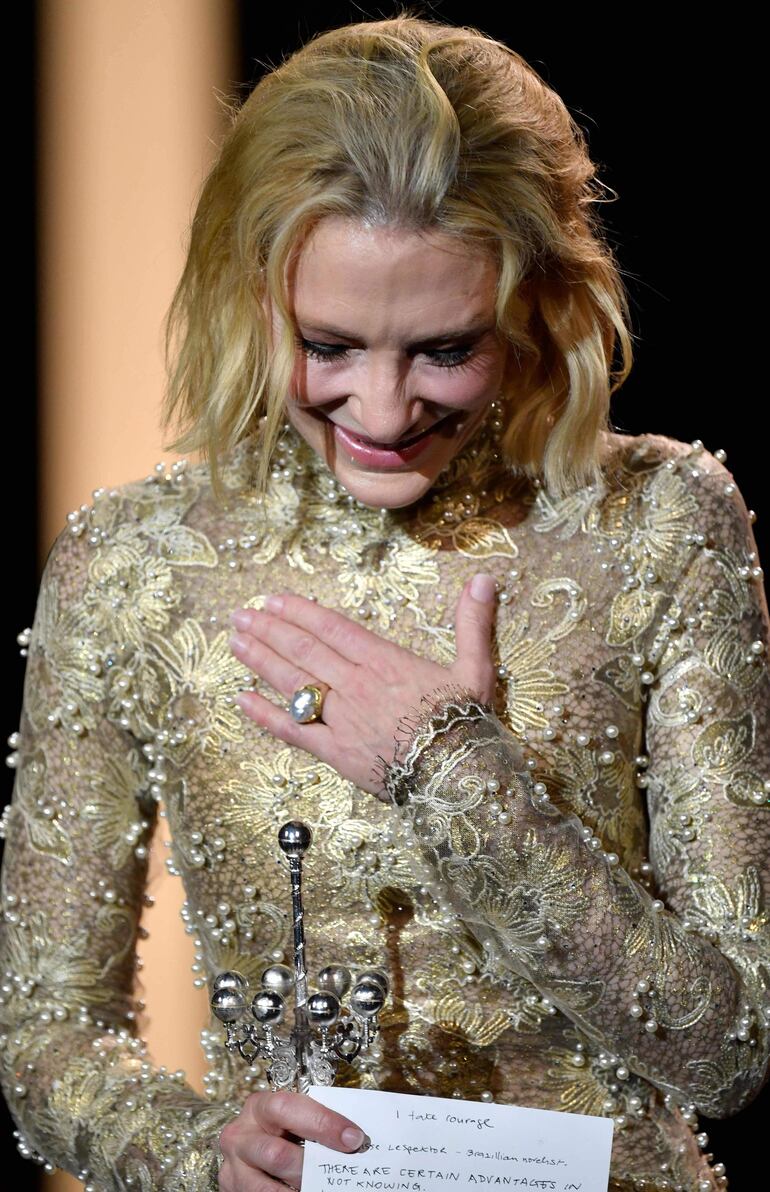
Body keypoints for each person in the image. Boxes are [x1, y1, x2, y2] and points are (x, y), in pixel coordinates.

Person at [1, 11, 768, 1192]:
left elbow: (723, 1047)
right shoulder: (131, 564)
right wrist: (199, 1152)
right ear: (250, 295)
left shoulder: (657, 524)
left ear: (534, 307)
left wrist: (451, 764)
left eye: (442, 349)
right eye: (329, 343)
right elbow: (48, 1035)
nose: (380, 405)